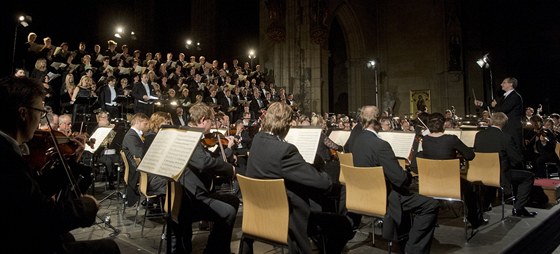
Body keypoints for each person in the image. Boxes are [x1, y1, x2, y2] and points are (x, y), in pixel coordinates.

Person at [0, 76, 120, 253]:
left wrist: (72, 161)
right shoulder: (6, 159)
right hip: (20, 241)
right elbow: (42, 216)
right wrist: (85, 206)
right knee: (109, 248)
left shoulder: (9, 150)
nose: (42, 118)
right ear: (23, 113)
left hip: (22, 233)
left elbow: (37, 189)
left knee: (67, 237)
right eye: (40, 112)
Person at [243, 102, 354, 254]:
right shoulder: (285, 150)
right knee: (343, 225)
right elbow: (323, 182)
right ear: (287, 125)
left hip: (261, 216)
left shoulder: (257, 140)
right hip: (288, 220)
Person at [351, 105, 439, 254]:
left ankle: (402, 237)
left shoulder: (356, 141)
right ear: (377, 121)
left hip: (363, 195)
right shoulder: (381, 145)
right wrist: (407, 174)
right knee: (431, 204)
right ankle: (413, 250)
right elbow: (399, 179)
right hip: (385, 198)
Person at [171, 102, 239, 254]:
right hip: (190, 198)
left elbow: (205, 159)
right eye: (211, 121)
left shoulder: (189, 133)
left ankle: (217, 248)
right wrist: (230, 169)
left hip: (190, 192)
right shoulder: (190, 136)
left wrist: (225, 152)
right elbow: (202, 162)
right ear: (203, 120)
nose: (212, 125)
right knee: (227, 211)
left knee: (233, 200)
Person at [473, 112, 537, 217]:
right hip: (500, 176)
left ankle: (485, 204)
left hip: (482, 173)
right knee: (528, 177)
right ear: (504, 123)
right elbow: (517, 159)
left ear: (491, 121)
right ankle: (518, 208)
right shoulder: (505, 137)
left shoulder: (479, 135)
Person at [475, 77, 523, 152]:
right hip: (506, 127)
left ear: (511, 84)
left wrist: (495, 105)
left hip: (512, 128)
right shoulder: (505, 96)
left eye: (504, 82)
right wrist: (481, 104)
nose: (501, 84)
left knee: (514, 150)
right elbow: (493, 105)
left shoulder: (515, 96)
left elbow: (504, 109)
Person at [121, 113, 150, 207]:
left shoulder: (135, 134)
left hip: (137, 167)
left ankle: (153, 201)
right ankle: (154, 200)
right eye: (145, 124)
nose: (147, 126)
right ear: (138, 122)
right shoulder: (131, 136)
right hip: (136, 169)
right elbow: (138, 154)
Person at [141, 111, 172, 196]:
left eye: (168, 123)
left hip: (154, 176)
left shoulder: (152, 136)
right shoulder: (153, 138)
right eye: (165, 122)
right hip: (154, 179)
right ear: (157, 122)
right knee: (182, 182)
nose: (168, 125)